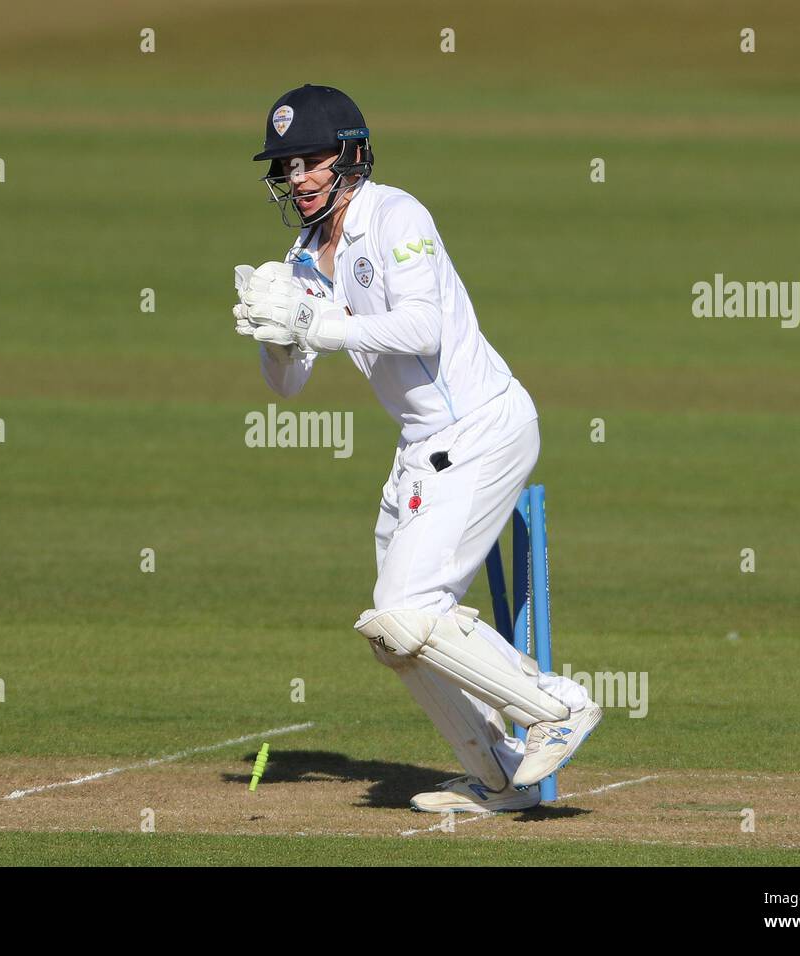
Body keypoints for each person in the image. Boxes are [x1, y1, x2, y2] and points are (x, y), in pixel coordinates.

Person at [233, 84, 601, 813]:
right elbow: (289, 386)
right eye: (286, 166)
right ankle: (498, 778)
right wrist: (274, 333)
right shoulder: (302, 257)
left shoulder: (396, 215)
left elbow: (423, 328)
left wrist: (315, 327)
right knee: (394, 635)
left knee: (409, 609)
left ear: (350, 155)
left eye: (311, 160)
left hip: (485, 428)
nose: (299, 178)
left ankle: (558, 707)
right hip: (421, 448)